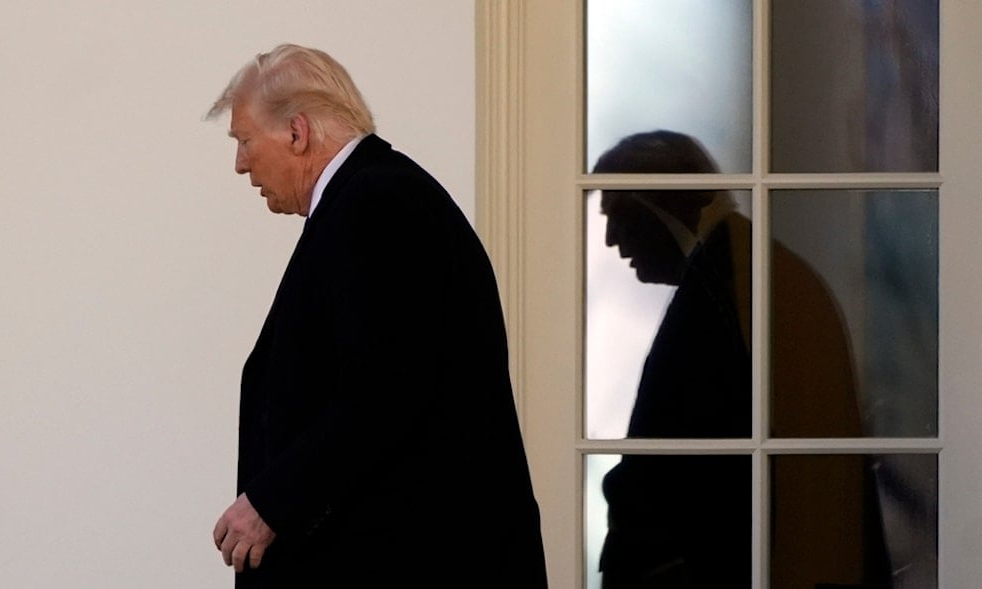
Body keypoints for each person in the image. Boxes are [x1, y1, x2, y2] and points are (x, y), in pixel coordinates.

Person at [205, 44, 547, 588]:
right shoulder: (374, 196)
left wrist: (273, 502)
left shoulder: (378, 205)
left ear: (297, 133)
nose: (241, 164)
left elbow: (385, 391)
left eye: (244, 140)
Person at [593, 131, 891, 588]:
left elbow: (678, 482)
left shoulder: (721, 296)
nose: (613, 240)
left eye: (620, 214)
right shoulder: (758, 277)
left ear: (677, 201)